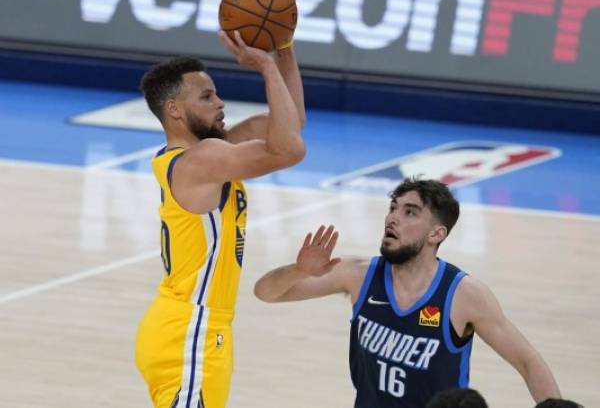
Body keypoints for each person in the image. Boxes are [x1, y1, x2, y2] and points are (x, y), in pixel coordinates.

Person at [254, 178, 561, 407]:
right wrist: (299, 270)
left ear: (436, 233)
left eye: (410, 212)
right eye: (393, 208)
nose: (393, 218)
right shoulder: (358, 274)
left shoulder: (464, 295)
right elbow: (266, 293)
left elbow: (527, 361)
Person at [134, 30, 305, 408]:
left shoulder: (206, 153)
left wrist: (284, 50)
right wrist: (264, 66)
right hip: (192, 328)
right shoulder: (202, 159)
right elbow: (290, 150)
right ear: (175, 110)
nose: (221, 102)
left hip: (184, 326)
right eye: (207, 96)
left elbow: (290, 125)